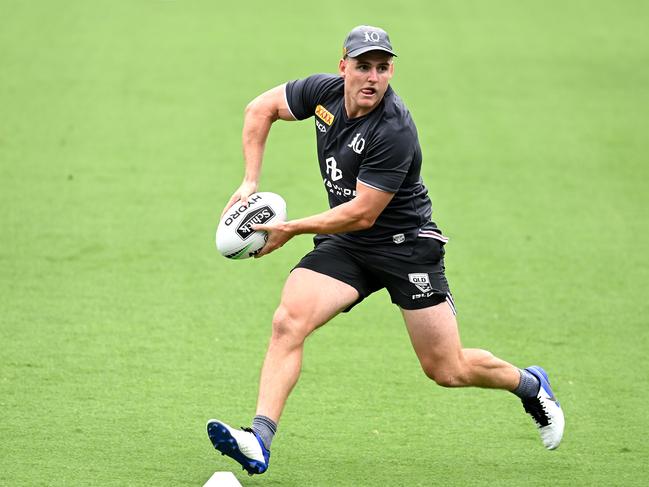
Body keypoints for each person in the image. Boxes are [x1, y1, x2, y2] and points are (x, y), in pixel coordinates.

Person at [207, 25, 564, 476]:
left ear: (391, 71)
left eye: (382, 67)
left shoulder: (394, 129)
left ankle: (530, 385)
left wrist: (290, 228)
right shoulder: (322, 94)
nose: (373, 77)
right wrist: (250, 181)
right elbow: (260, 109)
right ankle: (258, 438)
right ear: (343, 68)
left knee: (445, 368)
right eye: (363, 66)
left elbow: (362, 213)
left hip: (405, 247)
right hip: (349, 245)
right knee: (287, 321)